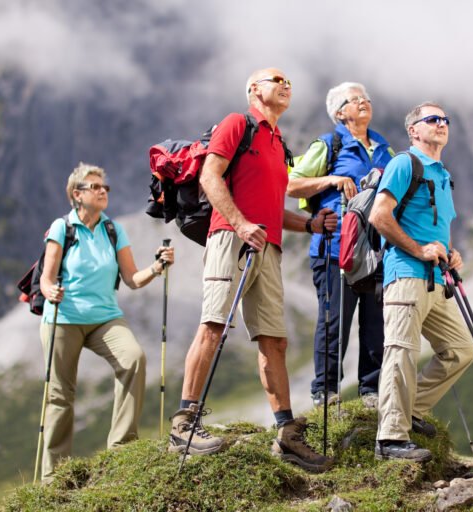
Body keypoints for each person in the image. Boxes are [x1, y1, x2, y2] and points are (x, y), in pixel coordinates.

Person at [167, 68, 337, 473]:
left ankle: (287, 434)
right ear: (254, 90)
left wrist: (310, 225)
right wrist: (241, 224)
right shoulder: (237, 124)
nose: (286, 85)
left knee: (274, 340)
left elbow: (273, 208)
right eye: (276, 79)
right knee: (214, 325)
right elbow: (210, 176)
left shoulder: (278, 143)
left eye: (289, 82)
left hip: (268, 247)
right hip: (231, 238)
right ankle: (184, 424)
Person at [39, 162, 175, 482]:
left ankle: (121, 450)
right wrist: (50, 291)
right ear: (77, 194)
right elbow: (46, 278)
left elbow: (132, 279)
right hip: (64, 318)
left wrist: (157, 266)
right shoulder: (62, 228)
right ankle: (54, 478)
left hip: (104, 317)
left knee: (133, 359)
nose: (103, 191)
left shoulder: (113, 230)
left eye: (105, 187)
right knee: (60, 395)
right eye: (95, 187)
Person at [369, 102, 473, 462]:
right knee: (401, 351)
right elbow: (379, 216)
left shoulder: (442, 174)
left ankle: (410, 409)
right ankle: (390, 439)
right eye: (432, 119)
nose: (441, 124)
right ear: (414, 130)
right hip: (405, 274)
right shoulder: (405, 164)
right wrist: (418, 249)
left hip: (435, 279)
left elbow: (434, 227)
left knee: (461, 350)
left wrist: (450, 251)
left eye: (445, 119)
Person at [287, 82, 393, 408]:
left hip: (376, 251)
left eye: (366, 98)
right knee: (334, 322)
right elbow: (290, 184)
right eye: (355, 99)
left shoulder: (385, 151)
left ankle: (371, 392)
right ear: (339, 112)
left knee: (375, 324)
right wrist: (332, 180)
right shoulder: (329, 145)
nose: (363, 102)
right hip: (334, 249)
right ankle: (325, 391)